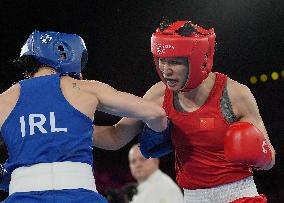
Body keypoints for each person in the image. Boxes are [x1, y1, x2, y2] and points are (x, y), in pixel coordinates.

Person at [95, 20, 276, 203]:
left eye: (174, 62)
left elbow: (270, 160)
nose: (166, 70)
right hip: (192, 197)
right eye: (161, 61)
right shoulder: (158, 95)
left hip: (239, 195)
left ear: (199, 60)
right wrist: (72, 130)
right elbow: (116, 136)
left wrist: (256, 152)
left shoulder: (235, 94)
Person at [0, 30, 168, 202]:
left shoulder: (3, 101)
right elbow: (155, 114)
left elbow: (113, 138)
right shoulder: (84, 88)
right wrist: (155, 136)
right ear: (66, 54)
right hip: (79, 196)